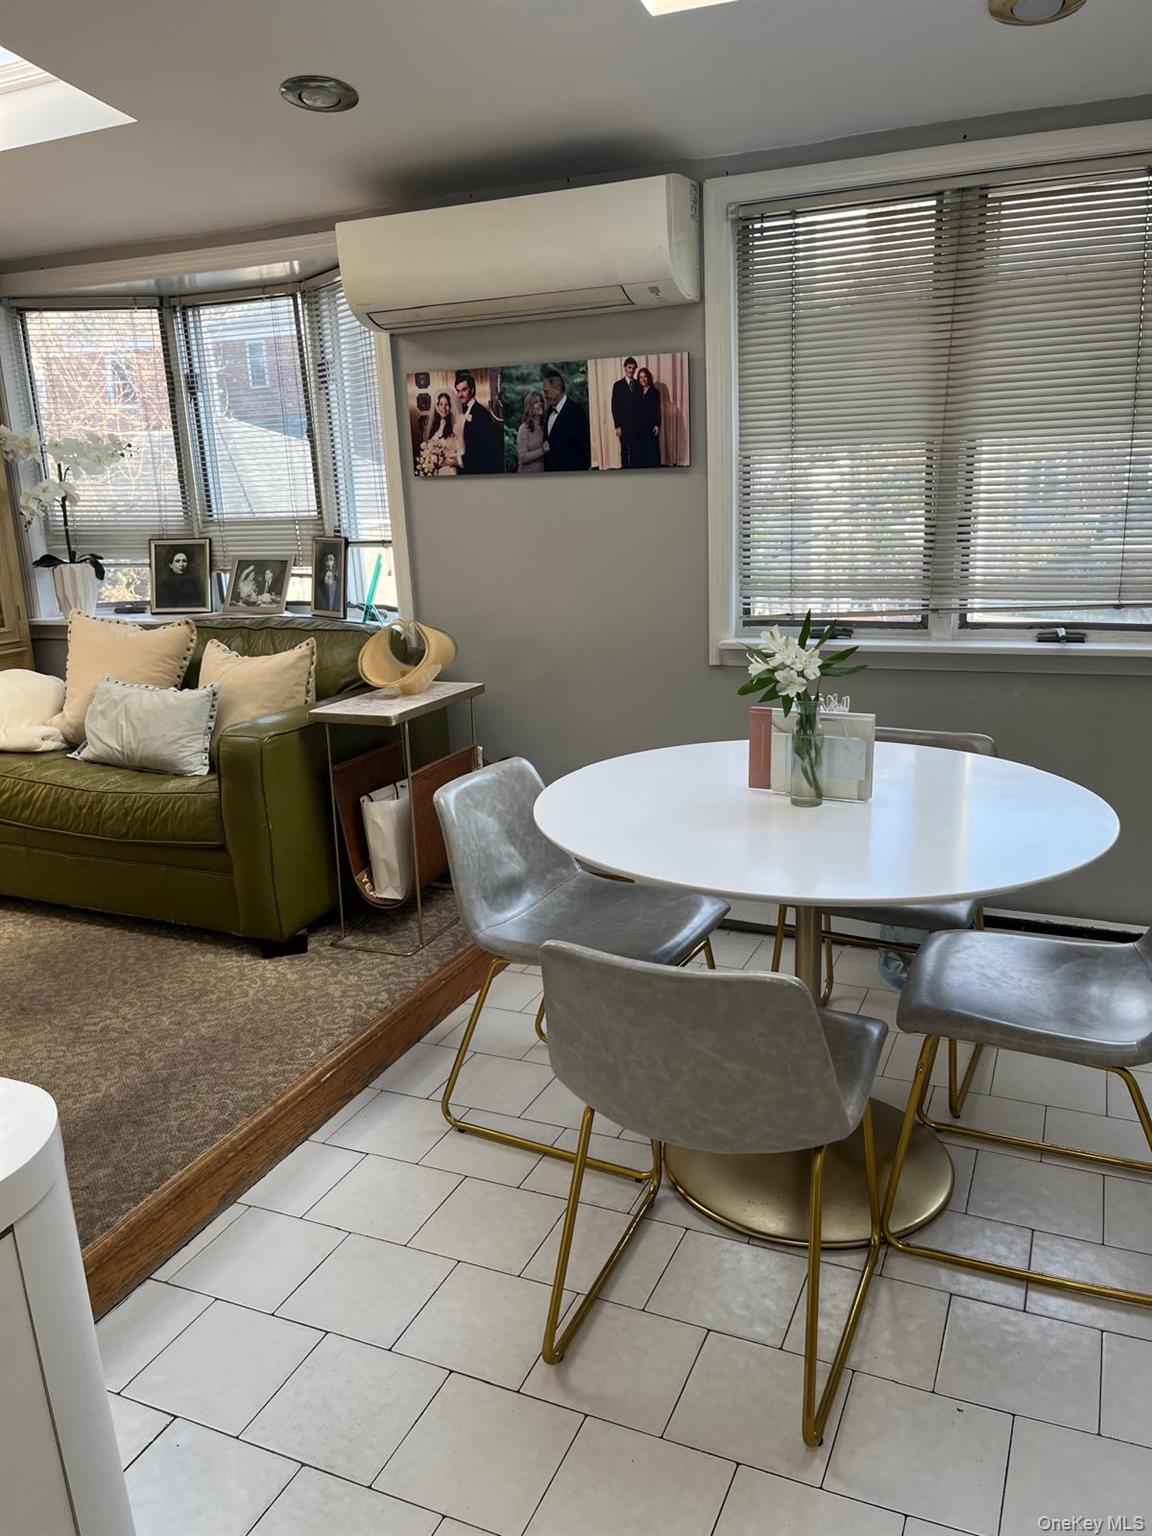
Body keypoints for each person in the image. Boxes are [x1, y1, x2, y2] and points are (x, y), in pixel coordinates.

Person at [542, 369, 591, 472]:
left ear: (557, 389)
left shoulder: (577, 413)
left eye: (546, 391)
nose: (544, 396)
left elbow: (586, 452)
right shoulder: (548, 411)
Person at [454, 372, 503, 474]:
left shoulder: (481, 414)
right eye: (458, 391)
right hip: (467, 469)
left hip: (479, 469)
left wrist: (459, 461)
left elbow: (482, 448)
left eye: (464, 390)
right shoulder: (461, 411)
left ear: (472, 390)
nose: (460, 395)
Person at [422, 391, 463, 476]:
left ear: (451, 407)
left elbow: (461, 454)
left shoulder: (455, 427)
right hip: (436, 473)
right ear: (437, 406)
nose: (443, 407)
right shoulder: (434, 428)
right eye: (441, 404)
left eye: (447, 404)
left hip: (449, 471)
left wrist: (447, 461)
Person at [610, 356, 640, 469]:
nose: (631, 370)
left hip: (636, 424)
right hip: (623, 425)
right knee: (624, 450)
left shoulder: (638, 384)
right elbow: (614, 407)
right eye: (629, 367)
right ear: (625, 368)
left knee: (636, 450)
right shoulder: (617, 385)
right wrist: (617, 426)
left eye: (634, 368)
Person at [634, 366, 663, 468]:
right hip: (639, 426)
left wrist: (657, 425)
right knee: (641, 452)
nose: (643, 379)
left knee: (652, 451)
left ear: (648, 377)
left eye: (645, 376)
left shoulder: (655, 392)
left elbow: (657, 410)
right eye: (640, 377)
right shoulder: (637, 392)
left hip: (651, 426)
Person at [516, 391, 546, 473]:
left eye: (541, 401)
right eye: (536, 402)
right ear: (530, 407)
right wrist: (542, 450)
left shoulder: (544, 427)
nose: (540, 404)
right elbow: (522, 457)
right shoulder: (524, 428)